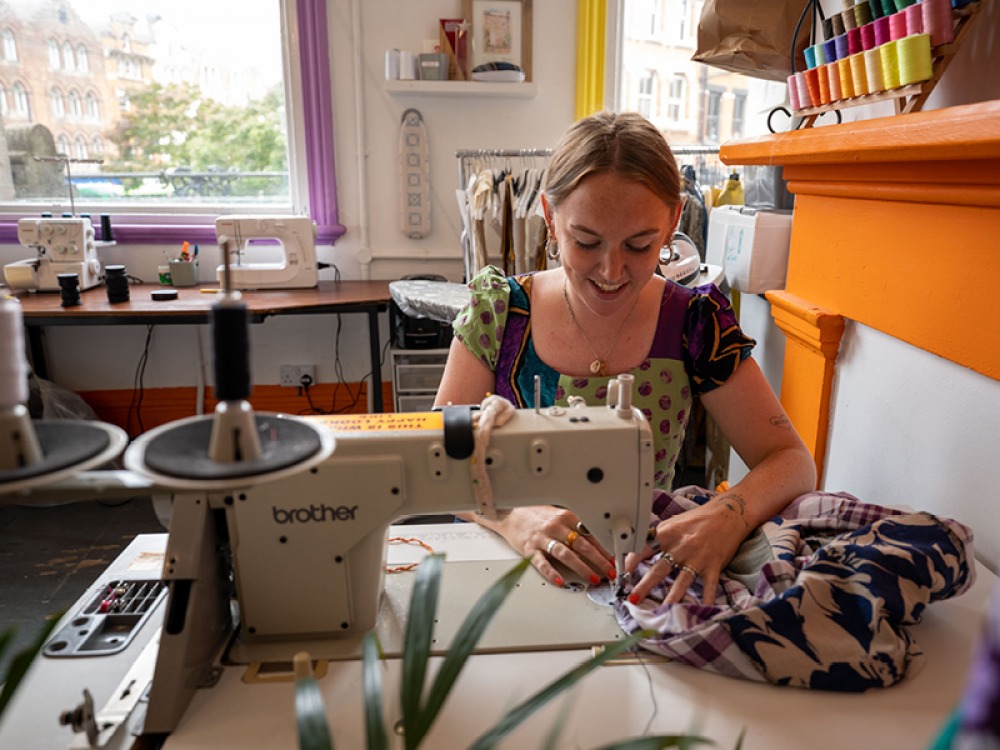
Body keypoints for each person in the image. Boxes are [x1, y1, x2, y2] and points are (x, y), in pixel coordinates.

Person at [434, 111, 816, 605]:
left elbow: (790, 460)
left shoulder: (695, 323)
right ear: (550, 217)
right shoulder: (500, 313)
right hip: (509, 569)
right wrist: (512, 517)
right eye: (586, 242)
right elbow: (441, 459)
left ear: (674, 221)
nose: (612, 270)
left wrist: (727, 514)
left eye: (640, 245)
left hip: (638, 575)